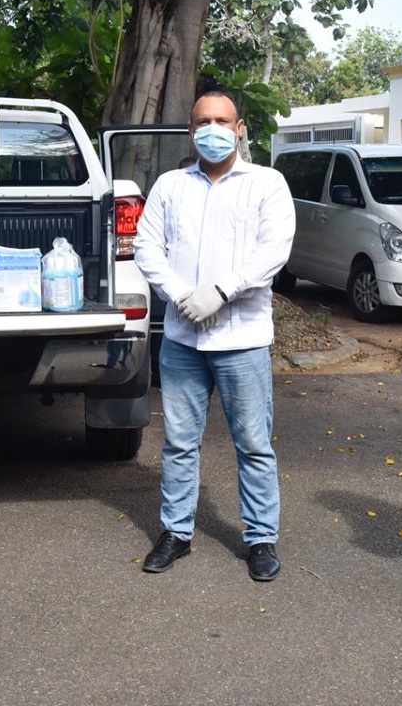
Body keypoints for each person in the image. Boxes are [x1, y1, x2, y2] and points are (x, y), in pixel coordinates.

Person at [133, 90, 295, 581]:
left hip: (241, 337)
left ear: (240, 128)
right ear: (190, 129)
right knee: (180, 442)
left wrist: (221, 293)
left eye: (222, 120)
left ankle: (261, 538)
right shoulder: (170, 185)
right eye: (203, 120)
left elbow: (274, 250)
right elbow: (146, 246)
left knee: (253, 443)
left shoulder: (267, 183)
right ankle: (176, 533)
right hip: (183, 339)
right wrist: (182, 294)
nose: (213, 128)